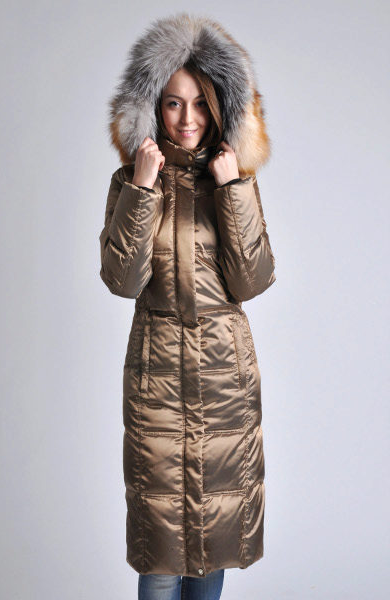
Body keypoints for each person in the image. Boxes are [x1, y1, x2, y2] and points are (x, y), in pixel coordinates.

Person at [99, 12, 276, 600]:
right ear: (154, 107)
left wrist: (232, 189)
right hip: (158, 382)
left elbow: (252, 281)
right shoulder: (131, 180)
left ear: (220, 107)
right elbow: (122, 280)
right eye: (173, 103)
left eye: (200, 103)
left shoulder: (235, 178)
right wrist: (143, 188)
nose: (187, 118)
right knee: (161, 553)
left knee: (212, 545)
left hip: (225, 379)